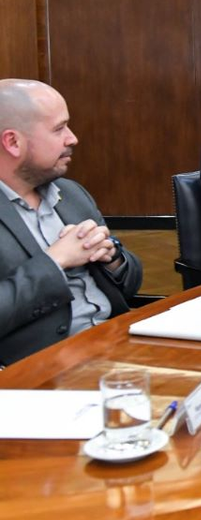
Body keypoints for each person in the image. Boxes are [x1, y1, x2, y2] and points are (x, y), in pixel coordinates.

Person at [0, 79, 143, 366]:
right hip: (44, 365)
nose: (72, 138)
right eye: (59, 129)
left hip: (116, 342)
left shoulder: (71, 194)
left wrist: (111, 257)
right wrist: (56, 261)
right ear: (13, 142)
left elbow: (130, 285)